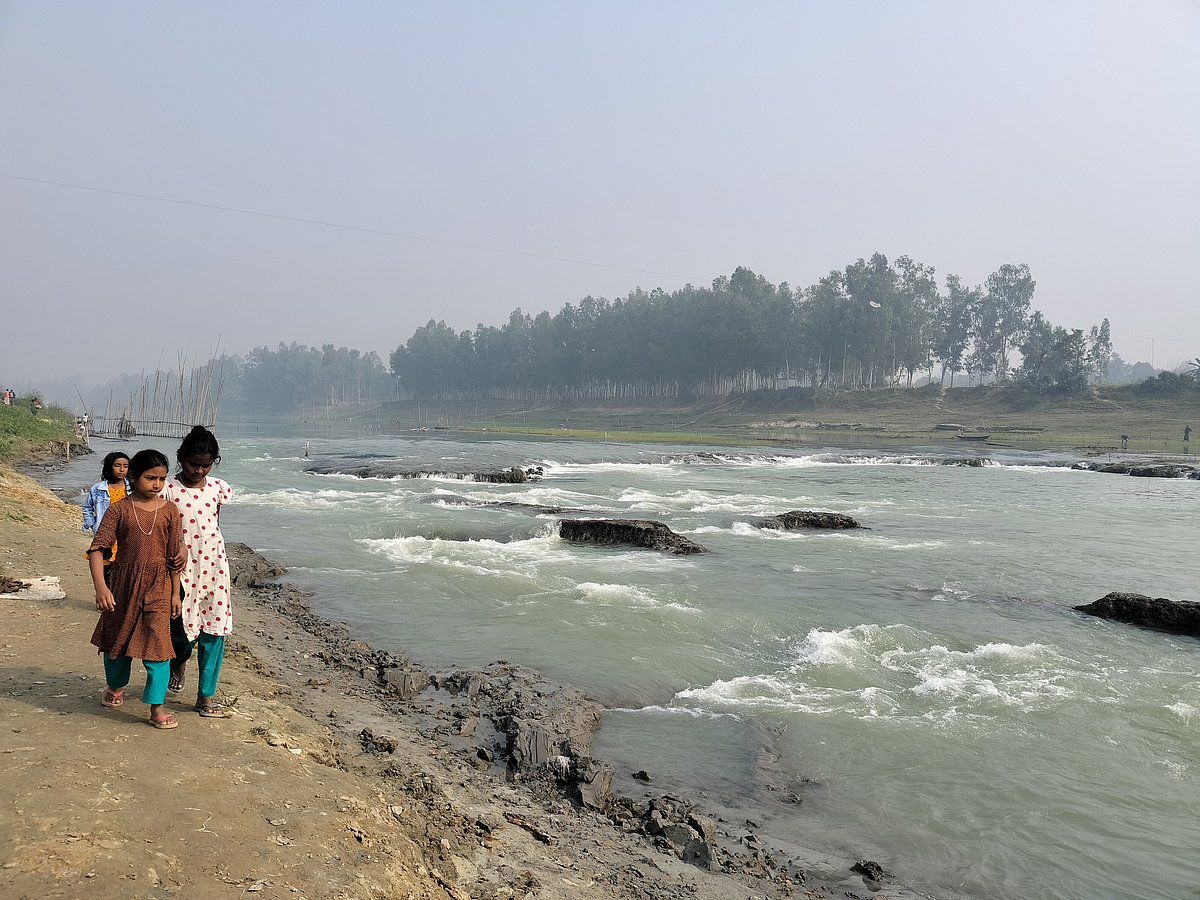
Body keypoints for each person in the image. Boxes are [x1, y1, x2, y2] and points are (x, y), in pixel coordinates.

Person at [87, 449, 182, 730]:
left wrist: (176, 592)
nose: (156, 484)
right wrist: (101, 588)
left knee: (159, 648)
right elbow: (97, 549)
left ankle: (157, 707)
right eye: (150, 478)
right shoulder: (119, 510)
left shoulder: (170, 511)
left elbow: (175, 555)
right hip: (123, 585)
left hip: (159, 587)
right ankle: (115, 686)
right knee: (117, 643)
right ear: (133, 476)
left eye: (162, 479)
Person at [161, 425, 234, 717]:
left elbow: (214, 523)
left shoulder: (218, 488)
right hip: (180, 569)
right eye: (194, 464)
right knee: (179, 629)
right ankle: (179, 661)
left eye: (206, 465)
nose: (199, 471)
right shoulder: (167, 488)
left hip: (214, 567)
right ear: (181, 458)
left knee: (214, 631)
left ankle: (206, 696)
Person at [82, 452, 132, 573]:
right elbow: (87, 507)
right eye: (117, 465)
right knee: (103, 568)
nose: (122, 470)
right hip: (105, 533)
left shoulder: (132, 489)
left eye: (125, 466)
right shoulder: (98, 489)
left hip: (125, 533)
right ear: (109, 467)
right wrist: (93, 524)